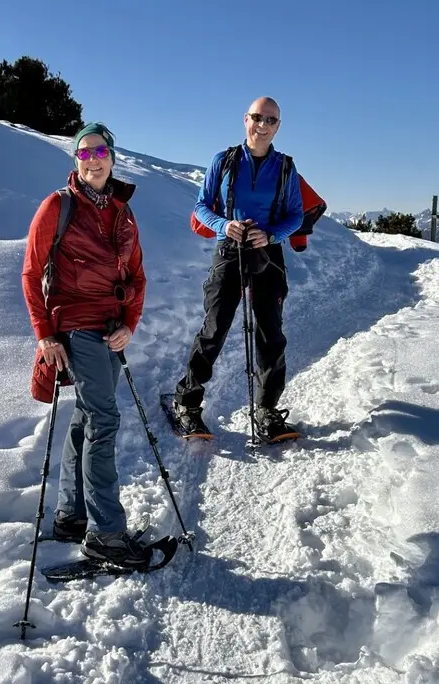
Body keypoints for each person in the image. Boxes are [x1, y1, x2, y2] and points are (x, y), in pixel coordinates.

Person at [21, 122, 151, 568]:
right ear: (75, 161)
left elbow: (137, 276)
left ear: (113, 158)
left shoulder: (122, 211)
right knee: (103, 419)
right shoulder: (57, 206)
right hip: (77, 328)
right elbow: (30, 273)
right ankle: (106, 534)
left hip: (112, 329)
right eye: (84, 153)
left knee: (85, 418)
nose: (93, 160)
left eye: (100, 153)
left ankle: (72, 516)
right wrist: (44, 334)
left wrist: (129, 325)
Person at [171, 97, 302, 444]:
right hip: (230, 250)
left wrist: (271, 234)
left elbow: (296, 215)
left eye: (271, 120)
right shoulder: (224, 161)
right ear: (246, 120)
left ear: (278, 126)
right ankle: (186, 401)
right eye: (258, 118)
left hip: (268, 253)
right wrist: (224, 225)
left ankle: (267, 410)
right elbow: (201, 206)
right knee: (215, 328)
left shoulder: (286, 168)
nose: (263, 125)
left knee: (271, 334)